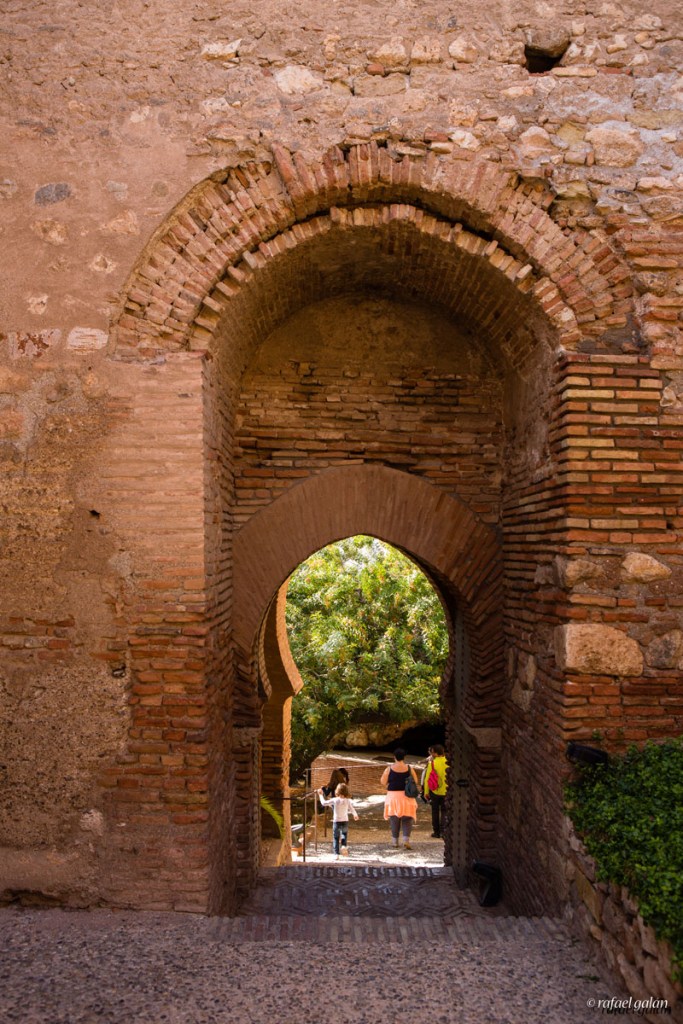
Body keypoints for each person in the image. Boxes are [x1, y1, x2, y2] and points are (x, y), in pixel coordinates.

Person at [380, 748, 419, 850]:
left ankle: (395, 842)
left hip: (393, 797)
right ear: (404, 757)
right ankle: (406, 840)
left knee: (394, 820)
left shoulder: (389, 769)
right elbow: (415, 781)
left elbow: (383, 782)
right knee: (407, 819)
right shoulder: (409, 768)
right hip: (407, 797)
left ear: (394, 757)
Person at [318, 782, 359, 860]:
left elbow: (324, 803)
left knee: (336, 837)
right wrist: (355, 815)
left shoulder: (335, 800)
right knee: (344, 834)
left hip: (336, 821)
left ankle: (336, 854)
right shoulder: (348, 801)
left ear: (337, 791)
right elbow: (352, 809)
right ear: (346, 791)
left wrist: (320, 795)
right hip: (345, 820)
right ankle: (343, 846)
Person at [423, 744, 448, 839]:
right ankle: (443, 831)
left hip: (435, 791)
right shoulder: (448, 762)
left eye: (432, 752)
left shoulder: (432, 763)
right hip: (446, 791)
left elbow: (427, 779)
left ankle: (436, 832)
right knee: (445, 811)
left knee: (435, 811)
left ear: (436, 753)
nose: (431, 754)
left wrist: (426, 792)